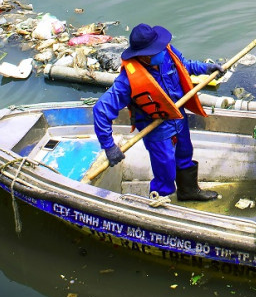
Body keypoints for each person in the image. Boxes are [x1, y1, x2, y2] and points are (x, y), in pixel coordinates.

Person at [93, 23, 225, 203]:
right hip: (156, 127)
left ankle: (189, 191)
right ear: (144, 56)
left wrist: (206, 69)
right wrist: (108, 146)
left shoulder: (167, 53)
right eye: (156, 51)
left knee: (185, 154)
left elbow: (185, 65)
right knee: (165, 168)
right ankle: (161, 201)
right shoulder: (128, 80)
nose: (162, 52)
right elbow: (101, 110)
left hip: (178, 117)